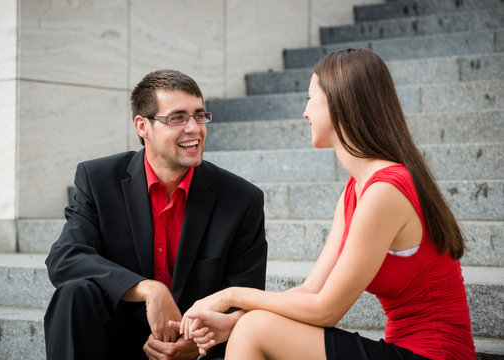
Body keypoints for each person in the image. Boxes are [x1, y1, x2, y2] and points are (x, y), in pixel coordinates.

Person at [177, 48, 476, 360]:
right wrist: (233, 321)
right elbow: (311, 291)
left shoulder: (386, 191)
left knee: (255, 329)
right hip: (400, 349)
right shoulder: (356, 189)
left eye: (310, 99)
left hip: (436, 355)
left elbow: (325, 311)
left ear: (338, 102)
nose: (305, 112)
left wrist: (230, 296)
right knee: (249, 325)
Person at [44, 69, 268, 360]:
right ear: (142, 126)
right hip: (117, 341)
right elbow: (66, 258)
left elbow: (245, 299)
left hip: (197, 349)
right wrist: (148, 289)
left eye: (199, 115)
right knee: (73, 295)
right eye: (177, 118)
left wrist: (199, 343)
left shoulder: (241, 199)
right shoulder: (98, 179)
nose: (194, 128)